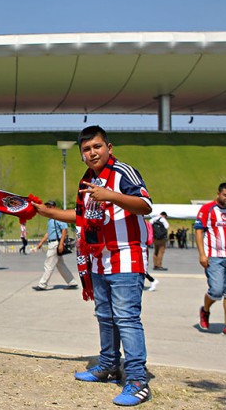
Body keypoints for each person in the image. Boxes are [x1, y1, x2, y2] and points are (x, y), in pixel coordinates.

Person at [33, 126, 153, 406]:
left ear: (109, 148)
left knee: (126, 319)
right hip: (98, 260)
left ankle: (137, 380)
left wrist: (112, 195)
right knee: (105, 316)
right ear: (81, 155)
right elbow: (80, 217)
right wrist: (47, 211)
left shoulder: (123, 172)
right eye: (86, 149)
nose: (92, 153)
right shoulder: (86, 181)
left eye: (97, 147)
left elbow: (145, 204)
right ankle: (109, 365)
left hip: (126, 256)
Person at [194, 182, 226, 337]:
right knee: (216, 290)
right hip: (214, 256)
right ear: (218, 194)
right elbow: (199, 231)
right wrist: (202, 254)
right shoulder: (207, 209)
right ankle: (205, 310)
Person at [32, 201, 78, 291]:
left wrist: (61, 244)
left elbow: (64, 230)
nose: (47, 208)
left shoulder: (58, 217)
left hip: (56, 243)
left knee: (48, 264)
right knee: (60, 265)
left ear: (54, 207)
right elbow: (49, 233)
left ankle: (42, 284)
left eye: (49, 206)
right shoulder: (50, 219)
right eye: (47, 206)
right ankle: (72, 282)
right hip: (52, 242)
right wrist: (41, 242)